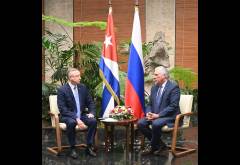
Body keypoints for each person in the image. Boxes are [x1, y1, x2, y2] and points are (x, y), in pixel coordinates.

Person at [137, 66, 181, 156]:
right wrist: (148, 113)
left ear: (164, 76)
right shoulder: (154, 87)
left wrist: (158, 115)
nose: (154, 77)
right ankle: (160, 145)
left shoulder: (173, 87)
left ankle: (152, 147)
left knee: (156, 123)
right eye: (154, 74)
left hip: (170, 116)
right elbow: (150, 104)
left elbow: (173, 106)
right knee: (141, 123)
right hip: (155, 115)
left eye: (156, 75)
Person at [57, 68, 97, 158]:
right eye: (78, 76)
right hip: (68, 116)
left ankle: (89, 147)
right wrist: (76, 118)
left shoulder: (82, 87)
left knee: (93, 121)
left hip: (82, 114)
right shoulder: (62, 90)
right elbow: (63, 109)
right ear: (71, 78)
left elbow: (90, 102)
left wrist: (92, 112)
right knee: (72, 122)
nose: (80, 78)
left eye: (79, 75)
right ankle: (72, 148)